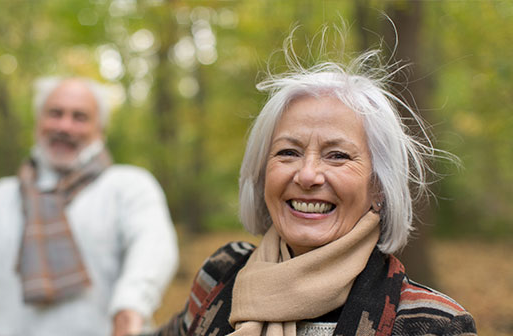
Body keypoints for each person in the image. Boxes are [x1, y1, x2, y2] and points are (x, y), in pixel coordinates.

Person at [151, 46, 477, 335]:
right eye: (288, 152)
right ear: (263, 173)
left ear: (378, 186)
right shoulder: (220, 276)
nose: (307, 175)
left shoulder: (434, 323)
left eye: (337, 155)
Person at [0, 77, 179, 336]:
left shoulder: (127, 185)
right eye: (55, 113)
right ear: (38, 122)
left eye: (80, 117)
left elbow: (153, 248)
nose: (64, 126)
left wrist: (130, 306)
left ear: (100, 129)